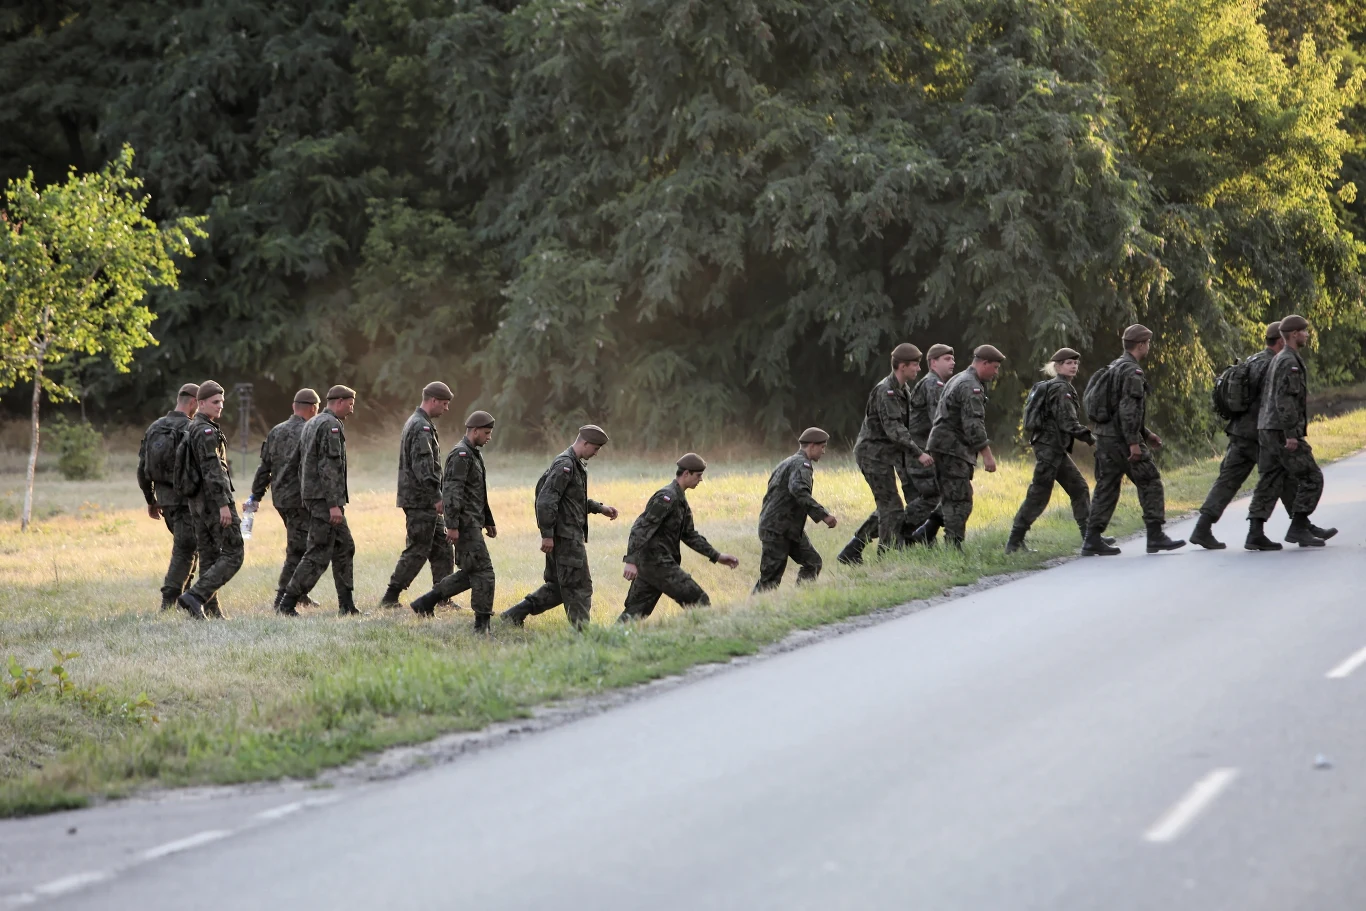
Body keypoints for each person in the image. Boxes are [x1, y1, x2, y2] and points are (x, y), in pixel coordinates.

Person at [501, 425, 619, 629]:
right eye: (596, 448)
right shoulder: (565, 465)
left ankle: (513, 615)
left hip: (564, 536)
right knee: (579, 586)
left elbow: (572, 499)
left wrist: (600, 508)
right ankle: (582, 632)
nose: (596, 453)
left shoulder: (573, 463)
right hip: (565, 538)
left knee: (558, 586)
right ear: (585, 443)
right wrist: (547, 535)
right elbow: (546, 500)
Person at [1081, 325, 1185, 555]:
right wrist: (1134, 443)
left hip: (1105, 438)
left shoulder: (1115, 366)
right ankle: (1155, 535)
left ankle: (1091, 539)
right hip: (1121, 440)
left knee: (1107, 486)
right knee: (1150, 480)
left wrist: (1146, 433)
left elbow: (1119, 408)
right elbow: (1128, 410)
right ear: (1140, 345)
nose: (1149, 347)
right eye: (1148, 343)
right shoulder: (1132, 372)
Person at [1192, 323, 1292, 550]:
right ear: (1280, 341)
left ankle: (1202, 528)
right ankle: (1267, 530)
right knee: (1277, 477)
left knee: (1227, 482)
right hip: (1260, 434)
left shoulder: (1253, 360)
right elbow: (1274, 403)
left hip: (1239, 432)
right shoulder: (1274, 364)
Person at [837, 343, 932, 565]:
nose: (919, 369)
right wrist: (918, 454)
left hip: (885, 455)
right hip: (872, 455)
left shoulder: (903, 390)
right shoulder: (886, 391)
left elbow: (905, 428)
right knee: (892, 507)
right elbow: (895, 430)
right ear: (901, 366)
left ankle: (853, 550)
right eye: (915, 365)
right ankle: (886, 557)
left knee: (888, 505)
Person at [1248, 314, 1337, 547]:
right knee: (1312, 477)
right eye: (1305, 331)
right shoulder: (1289, 361)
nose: (1307, 335)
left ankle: (1255, 532)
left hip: (1266, 428)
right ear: (1295, 334)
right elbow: (1284, 400)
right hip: (1280, 430)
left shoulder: (1279, 358)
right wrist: (1291, 434)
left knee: (1271, 478)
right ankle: (1298, 527)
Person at [618, 453, 740, 622]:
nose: (701, 480)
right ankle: (703, 637)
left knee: (634, 615)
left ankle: (609, 642)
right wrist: (630, 561)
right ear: (686, 474)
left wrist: (717, 556)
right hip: (657, 563)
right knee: (698, 601)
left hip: (654, 564)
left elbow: (690, 535)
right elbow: (640, 528)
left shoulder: (680, 499)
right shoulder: (667, 497)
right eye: (698, 476)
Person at [408, 411, 499, 632]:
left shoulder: (473, 454)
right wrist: (453, 526)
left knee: (470, 573)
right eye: (486, 433)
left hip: (473, 523)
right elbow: (451, 493)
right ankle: (482, 625)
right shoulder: (461, 455)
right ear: (474, 431)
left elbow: (478, 493)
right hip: (464, 525)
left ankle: (425, 603)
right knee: (484, 572)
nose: (489, 437)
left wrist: (488, 520)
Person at [276, 386, 360, 617]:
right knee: (318, 551)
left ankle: (347, 605)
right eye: (351, 404)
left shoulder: (313, 422)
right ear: (339, 402)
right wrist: (333, 504)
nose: (352, 410)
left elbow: (300, 463)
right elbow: (328, 467)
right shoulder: (330, 425)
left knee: (345, 546)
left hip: (314, 497)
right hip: (324, 500)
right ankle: (287, 603)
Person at [1007, 349, 1099, 553]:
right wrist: (1092, 440)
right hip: (1049, 450)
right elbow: (1068, 423)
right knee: (1039, 494)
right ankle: (1014, 542)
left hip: (1053, 449)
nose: (1073, 366)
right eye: (1068, 363)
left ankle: (1090, 538)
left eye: (1075, 363)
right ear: (1057, 367)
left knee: (1079, 488)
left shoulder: (1061, 386)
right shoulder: (1060, 388)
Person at [381, 382, 456, 607]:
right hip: (421, 500)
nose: (446, 408)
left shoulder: (420, 423)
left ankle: (442, 597)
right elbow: (424, 467)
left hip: (423, 498)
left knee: (442, 548)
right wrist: (437, 496)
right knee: (418, 548)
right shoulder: (420, 426)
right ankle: (390, 597)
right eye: (444, 404)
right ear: (432, 400)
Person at [248, 388, 321, 612]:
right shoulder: (310, 431)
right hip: (301, 500)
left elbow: (264, 468)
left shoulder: (276, 431)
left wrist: (255, 496)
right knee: (299, 549)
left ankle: (300, 594)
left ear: (293, 407)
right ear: (313, 409)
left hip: (280, 499)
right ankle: (283, 597)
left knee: (300, 544)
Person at [924, 345, 1003, 549]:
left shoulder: (962, 378)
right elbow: (973, 424)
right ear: (983, 363)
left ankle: (925, 532)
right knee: (960, 501)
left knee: (953, 496)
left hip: (946, 447)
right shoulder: (970, 385)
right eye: (994, 367)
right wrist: (987, 455)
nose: (996, 373)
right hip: (952, 449)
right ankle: (953, 546)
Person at [176, 381, 242, 619]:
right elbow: (212, 470)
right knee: (235, 553)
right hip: (213, 502)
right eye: (215, 402)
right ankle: (195, 596)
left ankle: (210, 610)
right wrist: (224, 505)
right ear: (200, 403)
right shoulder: (205, 431)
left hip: (198, 504)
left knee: (210, 555)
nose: (220, 406)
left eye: (222, 402)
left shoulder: (195, 427)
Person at [137, 383, 199, 611]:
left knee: (190, 545)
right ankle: (169, 600)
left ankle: (186, 597)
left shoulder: (155, 427)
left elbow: (142, 467)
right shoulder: (192, 428)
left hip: (165, 500)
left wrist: (150, 499)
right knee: (185, 548)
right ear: (193, 402)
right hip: (187, 499)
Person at [754, 428, 838, 592]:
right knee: (770, 580)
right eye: (822, 447)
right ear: (812, 446)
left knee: (812, 562)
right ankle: (752, 612)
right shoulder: (801, 465)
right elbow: (799, 491)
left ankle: (799, 599)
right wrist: (824, 515)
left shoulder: (788, 462)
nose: (824, 451)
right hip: (777, 529)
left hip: (788, 528)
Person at [907, 344, 955, 546]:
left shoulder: (935, 384)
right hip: (920, 453)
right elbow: (939, 422)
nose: (952, 362)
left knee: (934, 495)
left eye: (953, 358)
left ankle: (922, 537)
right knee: (939, 494)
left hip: (921, 451)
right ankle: (899, 529)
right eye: (947, 359)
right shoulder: (933, 385)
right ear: (933, 362)